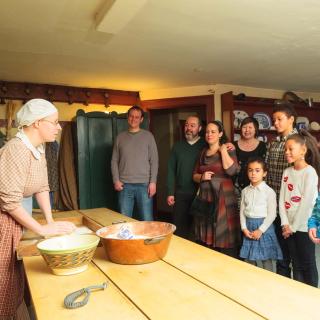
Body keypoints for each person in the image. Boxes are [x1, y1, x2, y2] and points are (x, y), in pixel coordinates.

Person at [0, 99, 76, 319]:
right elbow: (10, 202)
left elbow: (42, 187)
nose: (59, 126)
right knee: (4, 280)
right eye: (53, 122)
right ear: (36, 123)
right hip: (4, 222)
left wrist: (50, 222)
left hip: (13, 218)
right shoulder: (15, 149)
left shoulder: (38, 148)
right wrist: (42, 231)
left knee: (16, 279)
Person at [192, 120, 240, 257]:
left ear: (220, 134)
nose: (209, 134)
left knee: (223, 232)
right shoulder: (202, 153)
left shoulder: (229, 149)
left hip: (223, 196)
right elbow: (194, 175)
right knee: (207, 234)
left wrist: (223, 150)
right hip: (206, 197)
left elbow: (231, 171)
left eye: (213, 132)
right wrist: (201, 177)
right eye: (207, 132)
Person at [279, 130, 320, 287]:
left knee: (307, 263)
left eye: (291, 149)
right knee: (296, 264)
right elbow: (282, 200)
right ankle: (299, 295)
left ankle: (313, 298)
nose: (287, 152)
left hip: (303, 227)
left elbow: (306, 205)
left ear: (303, 150)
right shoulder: (287, 172)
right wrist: (285, 223)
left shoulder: (310, 173)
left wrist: (293, 227)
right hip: (288, 226)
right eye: (285, 149)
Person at [265, 101, 298, 278]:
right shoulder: (273, 144)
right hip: (275, 205)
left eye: (279, 119)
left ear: (291, 119)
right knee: (280, 253)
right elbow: (268, 175)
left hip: (292, 207)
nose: (275, 123)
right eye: (274, 119)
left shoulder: (299, 143)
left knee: (297, 254)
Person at [111, 105, 158, 221]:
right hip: (124, 185)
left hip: (144, 185)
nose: (133, 119)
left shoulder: (148, 137)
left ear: (141, 119)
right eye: (131, 116)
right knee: (123, 220)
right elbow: (114, 160)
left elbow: (154, 161)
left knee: (147, 220)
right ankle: (126, 240)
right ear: (127, 117)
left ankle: (148, 240)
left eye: (137, 117)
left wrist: (153, 182)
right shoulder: (120, 138)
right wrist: (116, 180)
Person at [166, 115, 206, 239]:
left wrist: (228, 145)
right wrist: (170, 192)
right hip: (181, 193)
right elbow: (171, 170)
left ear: (199, 128)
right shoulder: (177, 147)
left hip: (200, 194)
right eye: (187, 125)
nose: (188, 128)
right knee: (179, 229)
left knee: (198, 230)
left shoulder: (205, 145)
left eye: (192, 126)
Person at [239, 157, 282, 271]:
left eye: (257, 170)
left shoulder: (269, 192)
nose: (253, 173)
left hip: (264, 227)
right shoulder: (245, 191)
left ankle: (268, 285)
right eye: (250, 170)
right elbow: (242, 212)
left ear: (264, 173)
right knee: (249, 259)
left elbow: (272, 214)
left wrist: (260, 230)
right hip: (249, 227)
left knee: (265, 259)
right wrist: (244, 228)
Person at [234, 117, 267, 192]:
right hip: (236, 187)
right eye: (244, 127)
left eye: (250, 127)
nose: (247, 130)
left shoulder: (262, 146)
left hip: (256, 186)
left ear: (255, 129)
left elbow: (264, 166)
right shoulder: (233, 145)